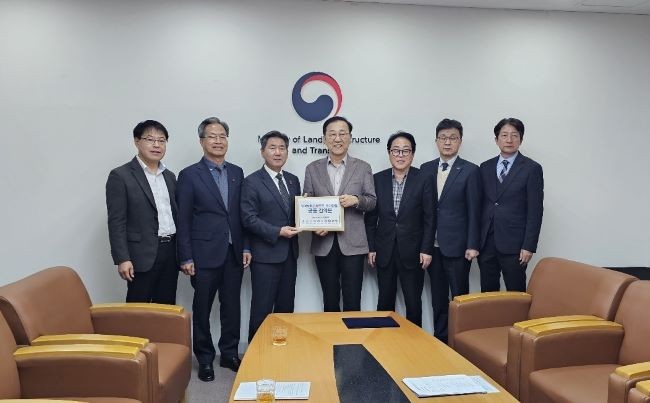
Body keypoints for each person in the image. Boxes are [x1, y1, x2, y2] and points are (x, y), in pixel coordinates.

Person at [176, 117, 251, 381]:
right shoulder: (188, 175)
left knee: (231, 307)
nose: (218, 141)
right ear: (201, 141)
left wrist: (246, 246)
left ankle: (229, 353)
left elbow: (241, 215)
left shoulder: (237, 172)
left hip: (233, 252)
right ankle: (205, 359)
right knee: (202, 309)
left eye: (222, 136)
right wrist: (185, 256)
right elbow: (183, 219)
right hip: (203, 254)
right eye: (212, 136)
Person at [303, 116, 376, 312]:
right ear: (324, 139)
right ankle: (332, 333)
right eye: (332, 134)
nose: (337, 139)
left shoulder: (363, 167)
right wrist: (313, 226)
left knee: (353, 300)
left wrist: (356, 200)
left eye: (342, 134)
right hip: (324, 244)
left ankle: (352, 333)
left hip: (353, 244)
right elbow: (307, 204)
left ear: (350, 137)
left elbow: (372, 201)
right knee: (330, 300)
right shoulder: (312, 169)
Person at [420, 119, 481, 343]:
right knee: (437, 297)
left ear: (460, 141)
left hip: (458, 246)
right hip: (431, 247)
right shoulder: (425, 169)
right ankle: (441, 340)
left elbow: (475, 210)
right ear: (436, 141)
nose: (447, 142)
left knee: (459, 298)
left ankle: (461, 342)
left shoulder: (471, 170)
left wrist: (473, 244)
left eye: (453, 138)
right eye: (443, 138)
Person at [365, 131, 434, 327]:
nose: (400, 155)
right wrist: (371, 247)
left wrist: (426, 249)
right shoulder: (378, 179)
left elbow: (430, 218)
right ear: (389, 153)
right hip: (384, 249)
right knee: (385, 301)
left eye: (405, 151)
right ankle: (383, 341)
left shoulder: (424, 178)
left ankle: (414, 342)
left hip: (413, 251)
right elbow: (371, 218)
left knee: (413, 302)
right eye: (396, 150)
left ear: (412, 154)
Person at [106, 120, 179, 304]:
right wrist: (122, 258)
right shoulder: (121, 176)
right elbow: (116, 221)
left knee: (167, 309)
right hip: (140, 255)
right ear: (137, 141)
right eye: (150, 139)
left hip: (170, 251)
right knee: (138, 311)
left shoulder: (170, 176)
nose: (157, 145)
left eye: (161, 140)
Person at [241, 130, 301, 341]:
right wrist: (277, 231)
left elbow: (298, 213)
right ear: (262, 152)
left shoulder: (293, 180)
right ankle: (257, 354)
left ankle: (282, 351)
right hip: (265, 256)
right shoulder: (252, 181)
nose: (278, 152)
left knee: (286, 308)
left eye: (282, 148)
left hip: (290, 255)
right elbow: (248, 218)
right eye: (272, 148)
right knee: (262, 308)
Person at [478, 117, 544, 292]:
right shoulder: (485, 167)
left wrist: (528, 246)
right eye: (504, 135)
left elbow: (535, 211)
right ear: (496, 139)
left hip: (515, 245)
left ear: (521, 139)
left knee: (516, 294)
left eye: (514, 135)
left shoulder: (531, 168)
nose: (509, 139)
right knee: (487, 294)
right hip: (486, 242)